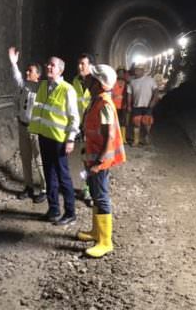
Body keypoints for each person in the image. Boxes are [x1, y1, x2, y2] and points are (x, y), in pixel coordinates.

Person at [77, 64, 126, 258]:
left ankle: (105, 242)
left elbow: (109, 136)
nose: (86, 80)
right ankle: (96, 232)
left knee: (102, 197)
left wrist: (98, 162)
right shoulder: (96, 100)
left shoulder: (104, 104)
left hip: (100, 160)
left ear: (98, 83)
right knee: (96, 195)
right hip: (93, 156)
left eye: (90, 78)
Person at [29, 56, 80, 225]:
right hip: (44, 137)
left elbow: (74, 117)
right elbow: (23, 85)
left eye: (52, 65)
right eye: (47, 64)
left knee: (63, 176)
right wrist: (14, 64)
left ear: (60, 70)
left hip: (59, 140)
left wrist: (71, 139)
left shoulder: (67, 89)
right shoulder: (43, 86)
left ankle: (70, 212)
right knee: (50, 175)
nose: (49, 67)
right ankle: (53, 209)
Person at [8, 47, 47, 203]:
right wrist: (13, 64)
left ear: (38, 75)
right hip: (23, 126)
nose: (27, 73)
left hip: (35, 129)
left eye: (30, 71)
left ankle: (44, 189)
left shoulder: (41, 89)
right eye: (27, 71)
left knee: (39, 160)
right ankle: (28, 186)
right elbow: (17, 79)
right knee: (25, 159)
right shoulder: (25, 87)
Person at [72, 53, 94, 206]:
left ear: (91, 65)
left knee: (95, 160)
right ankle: (88, 189)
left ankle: (95, 190)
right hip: (82, 126)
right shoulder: (75, 81)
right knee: (85, 159)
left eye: (83, 64)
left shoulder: (97, 82)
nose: (80, 67)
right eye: (79, 63)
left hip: (94, 128)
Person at [127, 64, 159, 146]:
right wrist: (129, 105)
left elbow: (156, 91)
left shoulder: (150, 80)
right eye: (135, 69)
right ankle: (136, 140)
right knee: (136, 122)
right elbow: (129, 94)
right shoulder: (132, 82)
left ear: (142, 71)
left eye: (138, 69)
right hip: (136, 105)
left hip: (148, 105)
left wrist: (154, 100)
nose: (136, 71)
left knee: (147, 122)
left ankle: (146, 137)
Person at [112, 66, 128, 144]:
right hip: (114, 105)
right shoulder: (113, 82)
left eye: (122, 72)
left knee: (123, 122)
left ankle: (123, 138)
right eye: (119, 72)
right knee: (114, 122)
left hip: (123, 106)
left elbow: (129, 95)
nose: (121, 74)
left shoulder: (127, 83)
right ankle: (115, 137)